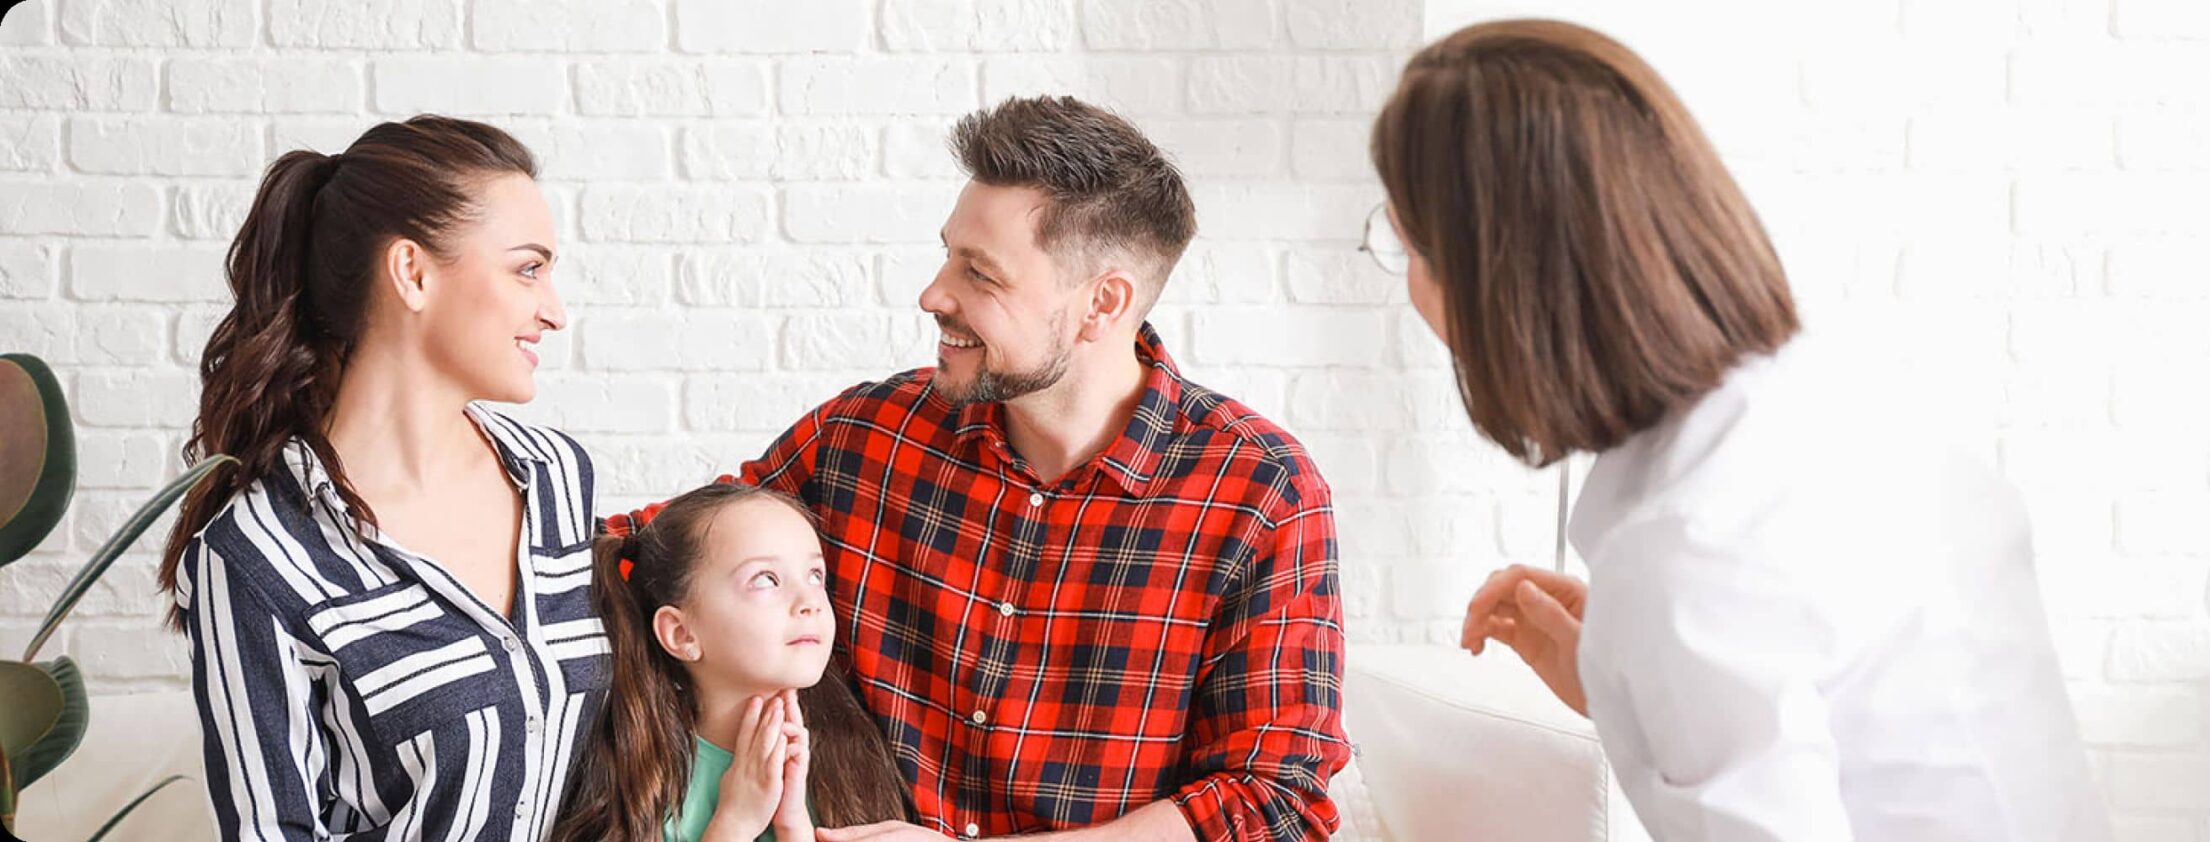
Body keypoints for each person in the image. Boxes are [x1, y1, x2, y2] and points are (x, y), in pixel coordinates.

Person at [1364, 19, 2111, 841]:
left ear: (1501, 282)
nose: (1410, 288)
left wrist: (1651, 635)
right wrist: (1616, 668)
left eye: (1410, 249)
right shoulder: (1823, 402)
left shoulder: (1688, 549)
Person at [607, 96, 1349, 842]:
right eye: (947, 255)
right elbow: (652, 550)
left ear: (1103, 304)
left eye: (981, 274)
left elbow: (1272, 802)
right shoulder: (868, 436)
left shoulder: (1258, 493)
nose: (934, 294)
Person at [163, 115, 601, 841]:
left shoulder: (557, 478)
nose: (554, 311)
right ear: (413, 273)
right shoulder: (254, 556)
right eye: (528, 268)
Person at [553, 483, 908, 842]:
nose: (810, 602)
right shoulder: (643, 779)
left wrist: (794, 828)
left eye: (815, 576)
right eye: (766, 579)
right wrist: (735, 823)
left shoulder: (854, 761)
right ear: (681, 633)